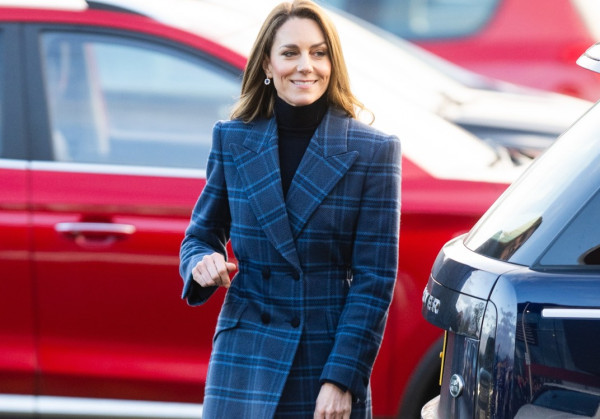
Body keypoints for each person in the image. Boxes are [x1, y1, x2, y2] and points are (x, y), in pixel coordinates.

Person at [179, 1, 401, 417]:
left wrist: (341, 379)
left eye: (318, 53)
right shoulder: (233, 139)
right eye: (290, 53)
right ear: (268, 63)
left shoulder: (373, 151)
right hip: (244, 356)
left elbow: (374, 281)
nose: (306, 66)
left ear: (332, 63)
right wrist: (201, 262)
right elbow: (200, 236)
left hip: (323, 358)